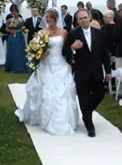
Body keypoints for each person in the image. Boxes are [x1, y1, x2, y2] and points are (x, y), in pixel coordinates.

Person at [15, 8, 79, 136]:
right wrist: (39, 54)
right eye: (46, 17)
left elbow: (66, 50)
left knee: (62, 92)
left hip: (60, 64)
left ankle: (64, 120)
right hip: (46, 64)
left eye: (50, 17)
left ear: (56, 18)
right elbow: (35, 48)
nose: (47, 19)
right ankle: (43, 118)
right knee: (45, 91)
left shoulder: (64, 32)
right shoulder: (42, 32)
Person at [63, 9, 112, 137]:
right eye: (80, 19)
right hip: (81, 72)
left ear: (89, 17)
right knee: (83, 99)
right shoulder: (73, 34)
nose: (83, 20)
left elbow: (104, 54)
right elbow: (64, 52)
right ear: (77, 21)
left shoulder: (99, 34)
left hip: (96, 72)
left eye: (85, 17)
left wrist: (108, 71)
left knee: (100, 94)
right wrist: (73, 48)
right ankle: (89, 125)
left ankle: (87, 112)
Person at [5, 4, 28, 73]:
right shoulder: (9, 20)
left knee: (20, 51)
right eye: (12, 12)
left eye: (15, 12)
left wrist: (23, 28)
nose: (14, 13)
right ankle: (12, 67)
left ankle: (21, 66)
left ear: (17, 11)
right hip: (12, 37)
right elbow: (6, 28)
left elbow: (25, 27)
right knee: (12, 51)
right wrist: (10, 31)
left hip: (20, 37)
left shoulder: (21, 19)